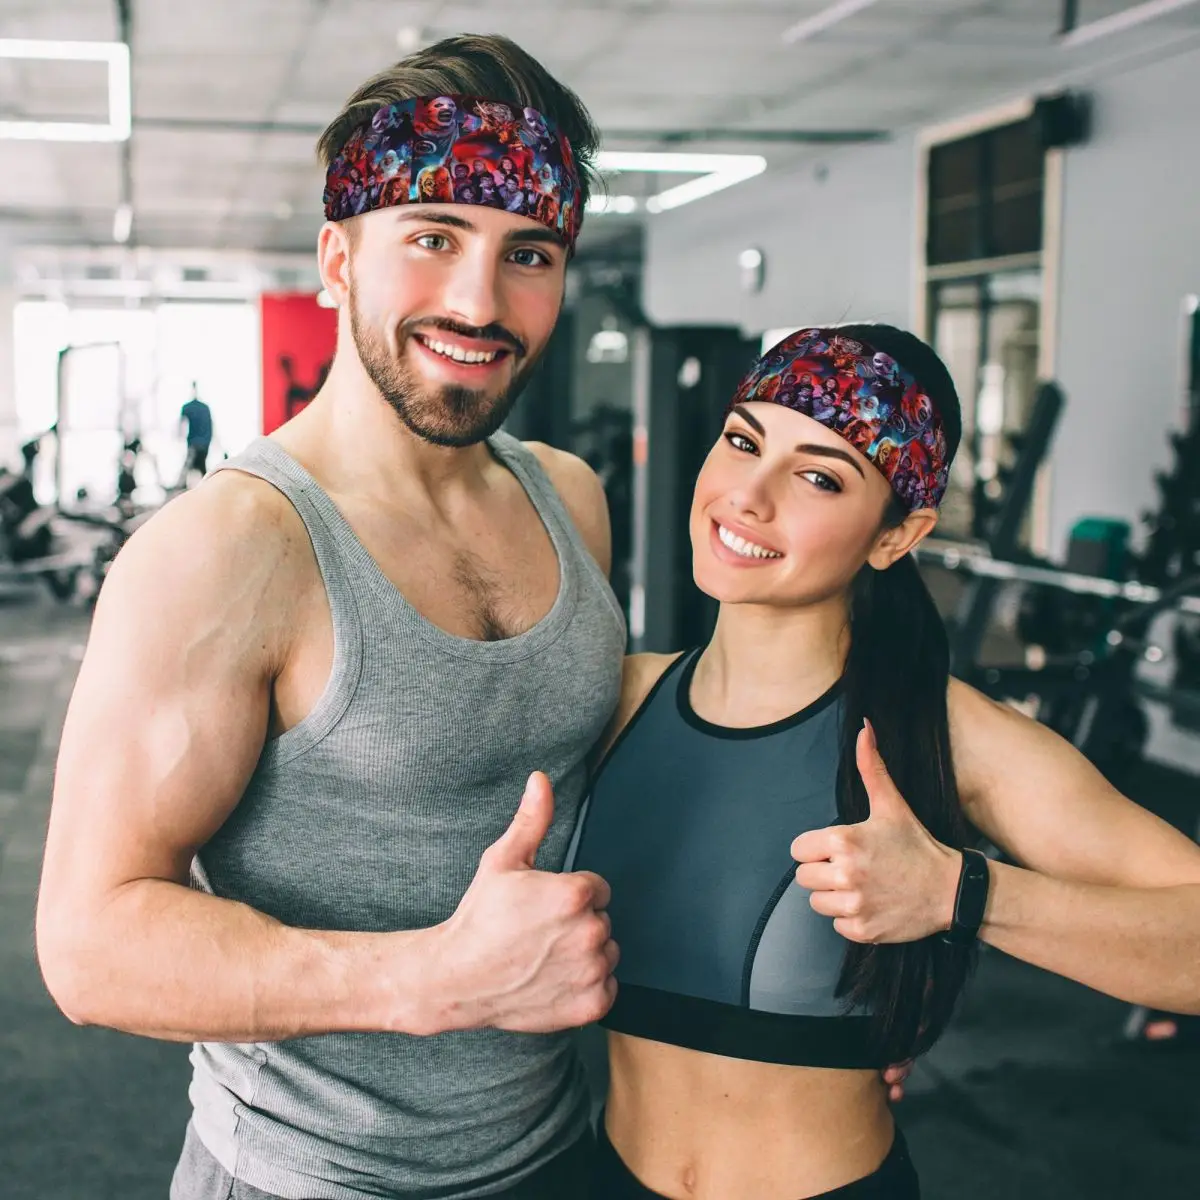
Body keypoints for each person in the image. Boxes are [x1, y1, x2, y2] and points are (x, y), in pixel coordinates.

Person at [36, 35, 624, 1200]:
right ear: (338, 259)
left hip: (563, 1151)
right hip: (311, 1179)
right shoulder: (227, 550)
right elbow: (89, 944)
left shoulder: (570, 499)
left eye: (529, 254)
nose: (479, 301)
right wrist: (435, 982)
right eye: (433, 237)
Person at [568, 324, 1200, 1199]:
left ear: (897, 536)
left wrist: (960, 894)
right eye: (744, 441)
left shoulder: (944, 733)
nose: (748, 496)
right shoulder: (616, 700)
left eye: (820, 476)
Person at [178, 382, 213, 485]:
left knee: (188, 470)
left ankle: (180, 489)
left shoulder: (188, 407)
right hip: (203, 443)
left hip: (194, 443)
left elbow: (181, 426)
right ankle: (206, 488)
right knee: (202, 470)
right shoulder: (204, 408)